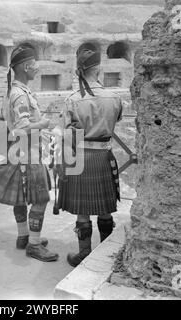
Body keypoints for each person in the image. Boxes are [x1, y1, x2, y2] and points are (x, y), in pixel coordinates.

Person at [0, 45, 59, 262]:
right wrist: (43, 122)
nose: (37, 68)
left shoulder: (12, 92)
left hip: (17, 154)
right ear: (26, 67)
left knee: (22, 199)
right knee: (41, 198)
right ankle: (34, 245)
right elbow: (21, 128)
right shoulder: (20, 95)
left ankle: (23, 236)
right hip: (28, 154)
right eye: (34, 64)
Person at [55, 44, 123, 267]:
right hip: (104, 157)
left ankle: (84, 254)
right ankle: (104, 254)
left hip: (80, 158)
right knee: (105, 208)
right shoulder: (114, 98)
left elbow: (65, 133)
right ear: (99, 69)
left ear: (79, 70)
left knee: (83, 211)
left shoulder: (72, 99)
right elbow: (117, 120)